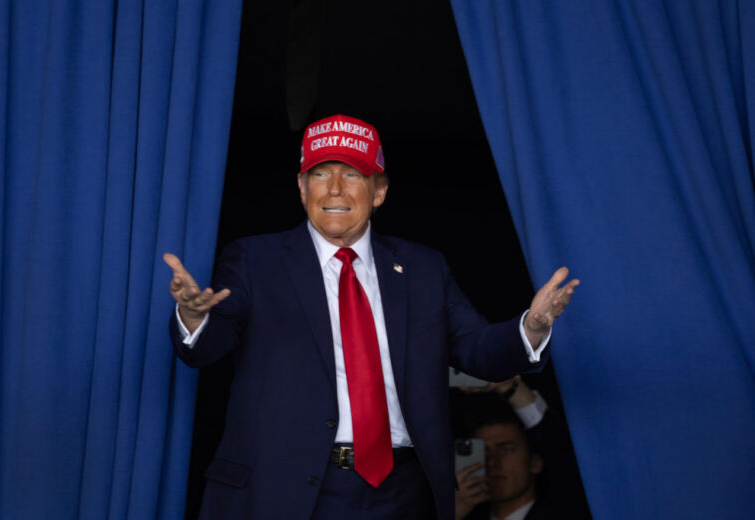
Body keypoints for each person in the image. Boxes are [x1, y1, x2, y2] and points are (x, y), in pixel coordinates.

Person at [163, 114, 579, 519]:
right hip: (284, 489)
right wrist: (193, 317)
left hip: (402, 493)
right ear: (302, 188)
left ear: (379, 191)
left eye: (353, 174)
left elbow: (478, 348)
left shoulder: (423, 269)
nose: (335, 189)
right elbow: (211, 342)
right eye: (321, 174)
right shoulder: (255, 260)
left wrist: (531, 327)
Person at [454, 378, 590, 520]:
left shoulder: (571, 511)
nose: (492, 462)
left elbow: (557, 448)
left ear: (535, 462)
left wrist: (509, 386)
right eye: (483, 451)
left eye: (506, 449)